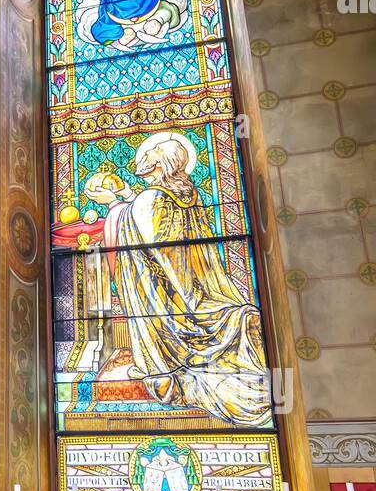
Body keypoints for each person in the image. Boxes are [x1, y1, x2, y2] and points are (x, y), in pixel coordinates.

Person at [89, 133, 271, 427]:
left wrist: (113, 206)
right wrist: (125, 197)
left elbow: (148, 244)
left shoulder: (152, 199)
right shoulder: (189, 194)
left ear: (159, 166)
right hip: (200, 291)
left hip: (166, 303)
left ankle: (168, 365)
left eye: (148, 162)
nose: (143, 166)